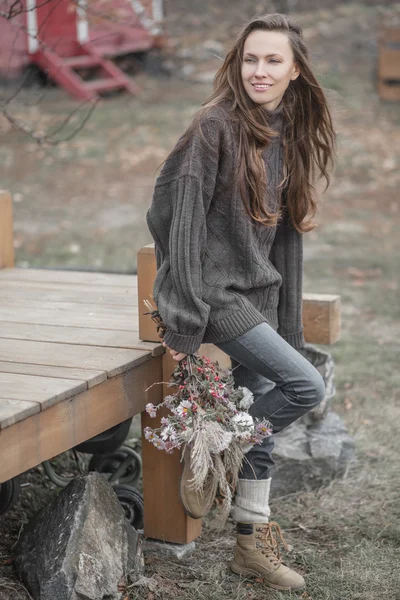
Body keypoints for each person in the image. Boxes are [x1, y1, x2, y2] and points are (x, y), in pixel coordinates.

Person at [146, 12, 336, 592]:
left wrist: (286, 319)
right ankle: (228, 446)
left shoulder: (288, 134)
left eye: (272, 60)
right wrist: (184, 313)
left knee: (257, 404)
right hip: (218, 296)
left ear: (295, 71)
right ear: (238, 64)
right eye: (250, 59)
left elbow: (285, 243)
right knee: (306, 387)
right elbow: (171, 215)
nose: (259, 70)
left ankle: (250, 546)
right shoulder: (214, 125)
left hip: (258, 296)